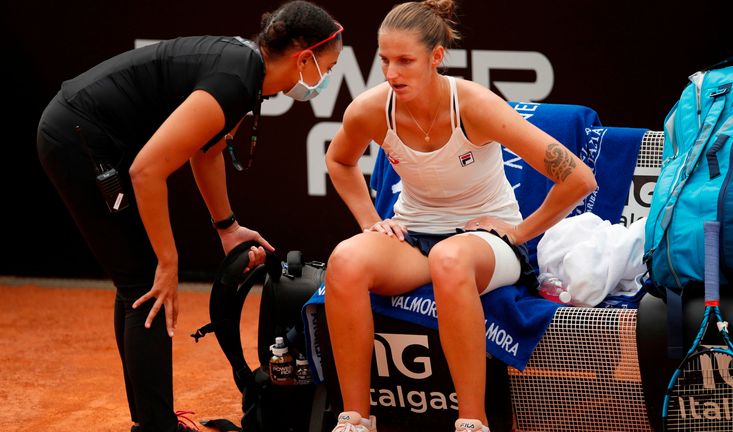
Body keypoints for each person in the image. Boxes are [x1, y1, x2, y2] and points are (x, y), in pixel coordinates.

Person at [36, 2, 342, 431]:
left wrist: (227, 226)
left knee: (137, 284)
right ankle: (156, 426)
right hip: (80, 139)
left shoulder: (246, 72)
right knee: (147, 284)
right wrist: (168, 260)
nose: (323, 80)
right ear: (303, 57)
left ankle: (152, 422)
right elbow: (147, 171)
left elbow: (207, 151)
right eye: (327, 67)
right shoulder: (237, 78)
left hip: (90, 135)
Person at [323, 1, 597, 431]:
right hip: (414, 236)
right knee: (344, 261)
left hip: (485, 246)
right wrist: (368, 220)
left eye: (405, 61)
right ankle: (356, 419)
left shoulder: (474, 105)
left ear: (436, 57)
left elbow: (579, 179)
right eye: (384, 61)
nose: (391, 73)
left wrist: (517, 232)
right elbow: (339, 161)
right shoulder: (371, 109)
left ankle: (473, 422)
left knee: (449, 259)